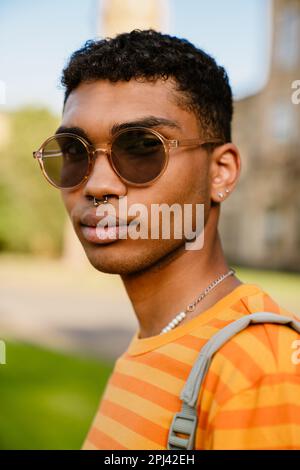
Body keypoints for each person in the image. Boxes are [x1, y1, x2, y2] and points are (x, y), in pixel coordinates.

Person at [33, 29, 300, 450]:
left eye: (142, 147)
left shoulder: (259, 368)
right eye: (74, 152)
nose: (98, 184)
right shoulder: (156, 339)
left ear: (221, 172)